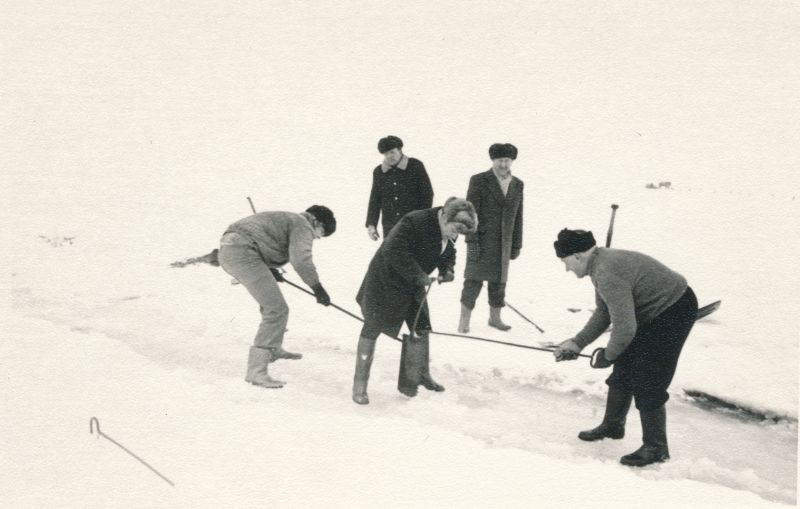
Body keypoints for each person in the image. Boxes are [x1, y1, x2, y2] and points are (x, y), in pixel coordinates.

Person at [552, 228, 698, 467]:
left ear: (578, 256)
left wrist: (607, 356)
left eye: (565, 262)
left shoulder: (607, 272)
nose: (566, 269)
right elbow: (604, 312)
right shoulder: (598, 265)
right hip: (654, 310)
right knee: (626, 362)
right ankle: (613, 425)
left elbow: (625, 328)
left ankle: (656, 447)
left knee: (649, 374)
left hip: (674, 309)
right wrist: (578, 342)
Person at [352, 197, 478, 405]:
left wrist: (448, 270)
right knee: (372, 327)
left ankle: (420, 374)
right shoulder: (414, 221)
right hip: (386, 281)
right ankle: (360, 385)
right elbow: (394, 251)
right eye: (455, 230)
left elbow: (448, 251)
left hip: (413, 282)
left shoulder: (450, 227)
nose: (456, 235)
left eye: (460, 233)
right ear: (445, 216)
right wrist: (419, 276)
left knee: (422, 326)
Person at [218, 205, 336, 389]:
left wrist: (270, 268)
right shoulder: (302, 224)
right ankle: (256, 372)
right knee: (277, 309)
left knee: (271, 305)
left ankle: (273, 349)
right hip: (243, 252)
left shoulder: (288, 219)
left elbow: (263, 239)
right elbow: (301, 260)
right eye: (319, 234)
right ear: (317, 222)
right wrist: (317, 288)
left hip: (234, 249)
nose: (316, 238)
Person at [458, 143, 524, 333]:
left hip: (504, 243)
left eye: (507, 161)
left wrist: (516, 244)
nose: (504, 164)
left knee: (499, 283)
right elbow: (469, 212)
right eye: (500, 160)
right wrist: (471, 240)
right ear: (493, 160)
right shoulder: (479, 180)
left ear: (512, 161)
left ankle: (495, 319)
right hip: (481, 241)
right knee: (473, 281)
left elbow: (519, 215)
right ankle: (464, 321)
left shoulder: (518, 184)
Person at [365, 135, 434, 240]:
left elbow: (427, 194)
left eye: (392, 152)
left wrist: (421, 218)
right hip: (390, 227)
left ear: (400, 150)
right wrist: (371, 224)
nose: (389, 156)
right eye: (386, 153)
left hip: (414, 225)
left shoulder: (415, 165)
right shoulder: (379, 172)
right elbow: (375, 199)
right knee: (392, 255)